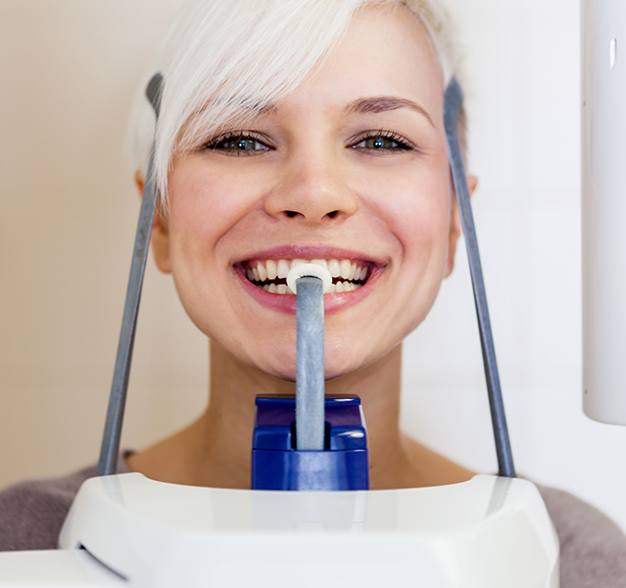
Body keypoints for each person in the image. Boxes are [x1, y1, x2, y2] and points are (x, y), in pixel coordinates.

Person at [1, 1, 626, 585]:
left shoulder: (575, 561)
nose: (314, 193)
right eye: (238, 139)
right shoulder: (21, 543)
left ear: (455, 217)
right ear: (158, 222)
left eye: (382, 141)